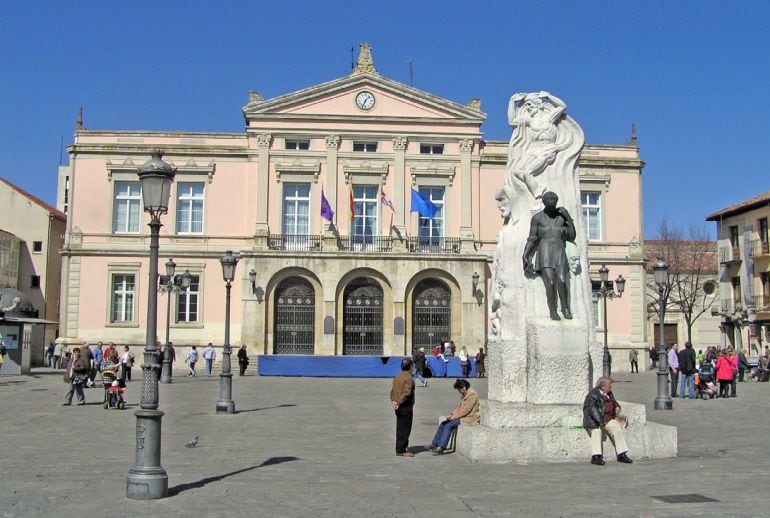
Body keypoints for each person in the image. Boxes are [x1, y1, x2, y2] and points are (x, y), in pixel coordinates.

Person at [522, 191, 576, 321]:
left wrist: (568, 218)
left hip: (559, 249)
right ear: (544, 202)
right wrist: (526, 254)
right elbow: (532, 238)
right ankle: (552, 310)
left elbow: (571, 236)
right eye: (549, 200)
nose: (552, 202)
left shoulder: (562, 217)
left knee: (562, 280)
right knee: (550, 282)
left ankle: (565, 308)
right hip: (544, 249)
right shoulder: (537, 218)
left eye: (554, 200)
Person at [582, 376, 632, 465]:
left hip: (607, 420)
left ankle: (622, 454)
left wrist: (617, 406)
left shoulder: (608, 393)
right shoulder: (592, 395)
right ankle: (596, 456)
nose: (611, 386)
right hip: (595, 421)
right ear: (603, 386)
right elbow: (593, 411)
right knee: (597, 432)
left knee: (616, 428)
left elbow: (613, 401)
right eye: (609, 384)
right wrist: (601, 424)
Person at [425, 379, 480, 455]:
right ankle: (435, 443)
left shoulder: (472, 395)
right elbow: (460, 407)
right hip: (463, 416)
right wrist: (452, 415)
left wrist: (455, 417)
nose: (458, 392)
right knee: (443, 423)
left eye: (458, 390)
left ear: (463, 388)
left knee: (449, 425)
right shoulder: (466, 393)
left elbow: (466, 410)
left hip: (469, 418)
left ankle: (441, 447)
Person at [390, 357, 415, 457]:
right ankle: (402, 450)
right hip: (405, 406)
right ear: (410, 366)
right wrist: (399, 402)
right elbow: (407, 392)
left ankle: (399, 448)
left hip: (398, 406)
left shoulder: (397, 376)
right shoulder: (408, 377)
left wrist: (394, 401)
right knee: (405, 428)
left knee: (400, 427)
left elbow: (392, 392)